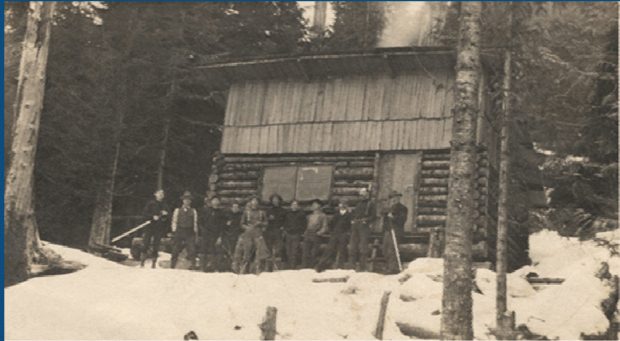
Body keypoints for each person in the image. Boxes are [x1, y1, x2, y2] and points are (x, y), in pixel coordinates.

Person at [231, 197, 269, 274]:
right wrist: (247, 228)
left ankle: (257, 269)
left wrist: (260, 224)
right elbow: (242, 224)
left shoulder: (262, 212)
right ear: (251, 203)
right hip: (248, 234)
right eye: (253, 202)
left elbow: (266, 223)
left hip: (258, 234)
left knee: (259, 252)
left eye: (256, 202)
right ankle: (244, 269)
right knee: (246, 251)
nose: (254, 203)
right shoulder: (246, 212)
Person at [316, 200, 352, 272]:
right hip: (335, 234)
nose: (341, 205)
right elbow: (331, 223)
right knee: (329, 249)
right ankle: (321, 266)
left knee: (342, 250)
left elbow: (351, 225)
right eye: (340, 204)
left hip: (343, 234)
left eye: (343, 204)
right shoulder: (337, 214)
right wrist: (332, 231)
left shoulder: (349, 215)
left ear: (346, 205)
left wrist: (347, 232)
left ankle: (340, 267)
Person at [140, 189, 170, 268]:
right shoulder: (151, 204)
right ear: (155, 194)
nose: (161, 195)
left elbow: (168, 217)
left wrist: (165, 215)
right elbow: (144, 214)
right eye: (159, 194)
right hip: (150, 226)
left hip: (159, 227)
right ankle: (142, 262)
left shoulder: (165, 205)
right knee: (146, 243)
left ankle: (154, 263)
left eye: (162, 194)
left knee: (156, 245)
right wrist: (152, 216)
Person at [349, 188, 376, 272]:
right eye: (361, 194)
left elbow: (373, 216)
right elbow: (355, 214)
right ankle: (352, 266)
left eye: (364, 194)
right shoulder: (358, 204)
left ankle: (362, 267)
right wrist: (353, 220)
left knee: (363, 247)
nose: (362, 196)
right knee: (353, 246)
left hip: (364, 226)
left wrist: (366, 220)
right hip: (356, 226)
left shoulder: (370, 204)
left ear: (367, 195)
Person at [381, 190, 408, 274]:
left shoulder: (402, 208)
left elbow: (402, 219)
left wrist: (393, 217)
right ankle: (388, 266)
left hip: (396, 231)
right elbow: (382, 214)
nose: (394, 199)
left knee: (392, 249)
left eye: (396, 197)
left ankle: (393, 268)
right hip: (388, 230)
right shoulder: (388, 208)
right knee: (385, 249)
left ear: (399, 198)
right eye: (392, 198)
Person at [170, 191, 198, 269]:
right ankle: (172, 265)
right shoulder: (177, 210)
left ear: (190, 201)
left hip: (189, 231)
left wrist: (195, 231)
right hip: (180, 230)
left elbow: (195, 222)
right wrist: (174, 230)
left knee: (192, 249)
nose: (187, 201)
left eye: (188, 200)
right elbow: (174, 221)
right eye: (185, 200)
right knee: (175, 249)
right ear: (183, 201)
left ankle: (193, 264)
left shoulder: (193, 211)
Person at [199, 197, 228, 272]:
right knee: (203, 249)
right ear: (211, 202)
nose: (215, 202)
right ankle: (203, 267)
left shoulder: (221, 213)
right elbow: (201, 221)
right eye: (214, 201)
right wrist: (203, 231)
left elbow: (223, 226)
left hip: (215, 235)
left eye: (217, 201)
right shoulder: (206, 211)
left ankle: (214, 267)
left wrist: (220, 237)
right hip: (206, 234)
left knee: (214, 250)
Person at [302, 199, 328, 268]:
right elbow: (307, 225)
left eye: (315, 204)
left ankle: (312, 266)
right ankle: (305, 267)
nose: (313, 206)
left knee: (314, 252)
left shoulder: (323, 216)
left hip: (316, 235)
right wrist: (305, 232)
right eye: (312, 205)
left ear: (319, 206)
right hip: (308, 234)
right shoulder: (309, 216)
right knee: (305, 251)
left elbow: (325, 227)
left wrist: (319, 232)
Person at [282, 200, 306, 269]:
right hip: (288, 234)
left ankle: (293, 267)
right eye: (293, 205)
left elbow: (304, 224)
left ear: (298, 206)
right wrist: (285, 230)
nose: (294, 206)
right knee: (288, 251)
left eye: (296, 205)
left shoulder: (301, 214)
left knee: (294, 251)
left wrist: (301, 232)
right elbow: (284, 223)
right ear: (291, 206)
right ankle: (288, 266)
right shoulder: (288, 214)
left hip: (296, 234)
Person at [265, 194, 286, 271]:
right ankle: (269, 268)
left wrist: (283, 227)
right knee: (269, 249)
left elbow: (286, 221)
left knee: (278, 249)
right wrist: (269, 219)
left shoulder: (283, 211)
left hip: (279, 231)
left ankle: (277, 267)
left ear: (279, 201)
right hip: (270, 231)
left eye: (277, 200)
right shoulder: (269, 210)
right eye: (273, 200)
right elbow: (265, 221)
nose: (275, 201)